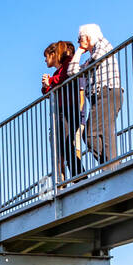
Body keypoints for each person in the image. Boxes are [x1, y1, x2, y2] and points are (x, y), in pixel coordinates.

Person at [78, 23, 122, 164]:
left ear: (88, 36)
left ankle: (111, 165)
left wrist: (84, 67)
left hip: (107, 92)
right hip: (99, 96)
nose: (79, 42)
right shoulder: (92, 53)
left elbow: (95, 60)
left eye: (80, 38)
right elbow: (72, 72)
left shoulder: (102, 43)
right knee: (96, 134)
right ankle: (110, 164)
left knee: (96, 133)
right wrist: (79, 52)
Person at [42, 40, 85, 180]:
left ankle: (79, 177)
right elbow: (49, 91)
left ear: (54, 54)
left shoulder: (68, 62)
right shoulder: (56, 72)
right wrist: (46, 86)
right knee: (63, 146)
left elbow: (65, 75)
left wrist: (52, 81)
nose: (45, 60)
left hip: (69, 110)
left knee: (67, 144)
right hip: (62, 112)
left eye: (46, 56)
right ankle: (75, 177)